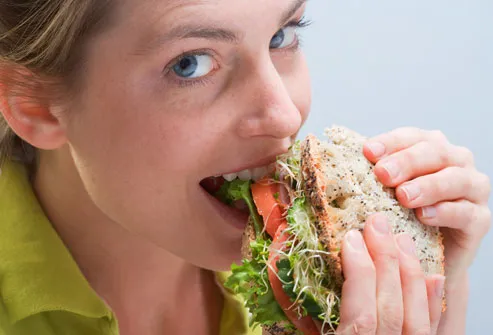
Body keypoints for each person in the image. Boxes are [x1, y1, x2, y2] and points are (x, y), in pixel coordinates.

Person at [0, 0, 490, 334]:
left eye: (282, 35)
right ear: (34, 106)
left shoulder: (324, 291)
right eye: (190, 63)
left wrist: (435, 302)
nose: (284, 115)